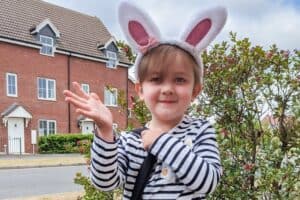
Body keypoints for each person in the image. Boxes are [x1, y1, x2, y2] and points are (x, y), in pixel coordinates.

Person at [64, 1, 227, 199]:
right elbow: (104, 182)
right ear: (140, 90)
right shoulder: (130, 141)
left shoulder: (201, 131)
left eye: (180, 79)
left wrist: (160, 141)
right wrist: (105, 132)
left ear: (195, 91)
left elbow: (208, 182)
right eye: (156, 79)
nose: (167, 89)